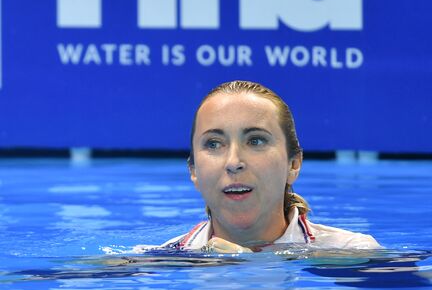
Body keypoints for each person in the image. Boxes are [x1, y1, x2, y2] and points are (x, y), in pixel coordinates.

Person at [137, 80, 380, 254]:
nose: (233, 163)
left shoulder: (352, 251)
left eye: (255, 141)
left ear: (293, 163)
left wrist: (251, 262)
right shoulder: (159, 259)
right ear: (193, 171)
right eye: (214, 144)